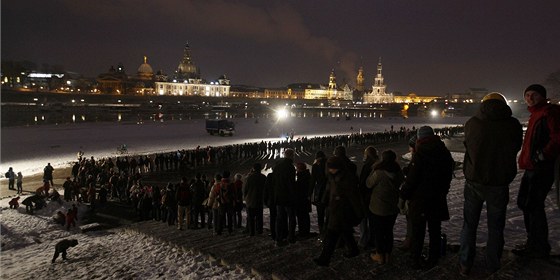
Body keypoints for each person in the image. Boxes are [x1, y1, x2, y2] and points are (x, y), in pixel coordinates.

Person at [458, 92, 523, 274]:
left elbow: (469, 146)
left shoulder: (473, 123)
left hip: (475, 180)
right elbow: (516, 146)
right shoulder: (513, 125)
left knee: (469, 225)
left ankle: (465, 263)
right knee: (496, 226)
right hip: (499, 182)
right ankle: (493, 263)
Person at [514, 84, 560, 259]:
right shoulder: (535, 114)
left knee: (533, 205)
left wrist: (543, 155)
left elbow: (557, 137)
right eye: (527, 95)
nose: (530, 98)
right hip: (532, 166)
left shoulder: (549, 113)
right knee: (525, 203)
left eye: (534, 95)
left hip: (541, 167)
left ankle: (538, 246)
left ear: (542, 96)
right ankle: (534, 243)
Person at [400, 126, 454, 269]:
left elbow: (413, 179)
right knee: (434, 230)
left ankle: (415, 259)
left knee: (418, 231)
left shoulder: (420, 154)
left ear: (420, 138)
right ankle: (433, 258)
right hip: (437, 197)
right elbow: (448, 172)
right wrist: (444, 189)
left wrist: (403, 195)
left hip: (420, 199)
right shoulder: (443, 151)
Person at [313, 156, 361, 267]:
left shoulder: (346, 179)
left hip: (341, 211)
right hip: (335, 210)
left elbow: (353, 197)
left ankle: (324, 260)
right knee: (346, 232)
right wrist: (324, 201)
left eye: (332, 168)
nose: (330, 170)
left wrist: (359, 213)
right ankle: (354, 250)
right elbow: (329, 190)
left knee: (331, 236)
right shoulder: (333, 176)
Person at [367, 149, 404, 265]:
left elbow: (368, 184)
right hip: (392, 206)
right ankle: (388, 255)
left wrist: (373, 170)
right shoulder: (398, 172)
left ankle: (379, 255)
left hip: (378, 207)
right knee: (388, 231)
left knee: (379, 231)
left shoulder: (379, 173)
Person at [273, 148, 297, 246]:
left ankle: (279, 238)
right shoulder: (290, 167)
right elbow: (290, 183)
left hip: (279, 196)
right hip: (287, 196)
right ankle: (291, 237)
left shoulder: (278, 166)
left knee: (279, 218)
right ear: (292, 156)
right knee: (291, 217)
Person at [358, 146, 379, 249]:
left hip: (367, 196)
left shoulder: (368, 165)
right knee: (372, 219)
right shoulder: (378, 164)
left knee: (364, 218)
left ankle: (364, 240)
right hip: (374, 196)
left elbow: (364, 182)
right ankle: (372, 240)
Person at [243, 163, 267, 236]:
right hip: (259, 199)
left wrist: (245, 197)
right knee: (259, 216)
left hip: (250, 199)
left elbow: (245, 189)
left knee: (251, 217)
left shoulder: (250, 177)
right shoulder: (263, 177)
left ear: (253, 168)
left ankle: (251, 232)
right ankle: (259, 230)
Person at [311, 151, 328, 237]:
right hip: (329, 190)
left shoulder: (315, 166)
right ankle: (329, 230)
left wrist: (310, 193)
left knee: (320, 213)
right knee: (329, 212)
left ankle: (321, 230)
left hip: (320, 191)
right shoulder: (328, 164)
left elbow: (313, 180)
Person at [294, 161, 312, 238]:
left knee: (301, 216)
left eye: (297, 168)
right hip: (305, 200)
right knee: (305, 216)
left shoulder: (301, 177)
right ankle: (305, 231)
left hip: (301, 200)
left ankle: (302, 232)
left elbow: (299, 189)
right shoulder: (307, 176)